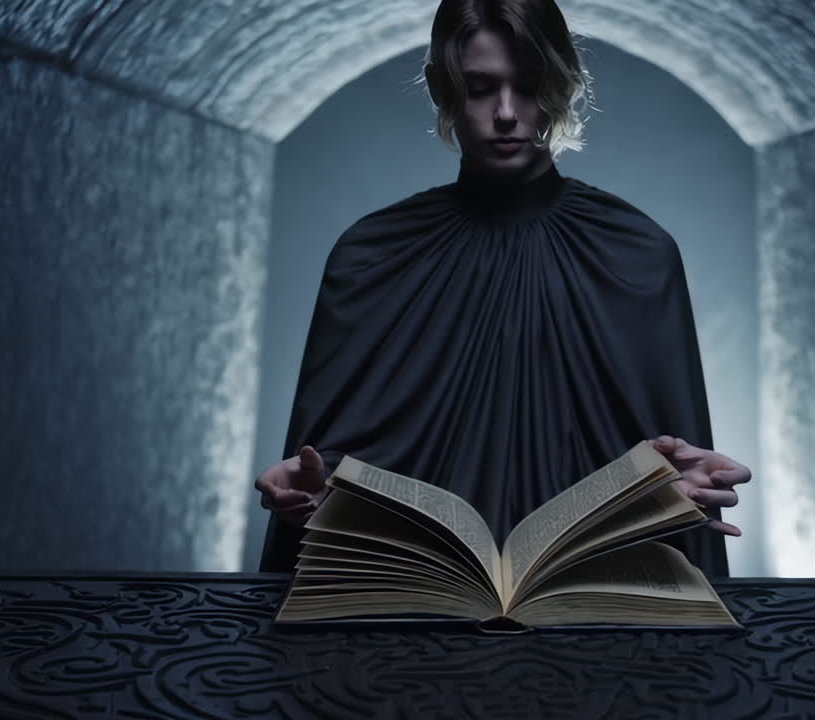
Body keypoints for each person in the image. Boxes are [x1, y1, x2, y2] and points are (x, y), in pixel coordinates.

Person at [255, 0, 751, 581]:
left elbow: (665, 476)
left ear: (561, 88)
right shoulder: (371, 257)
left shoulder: (638, 255)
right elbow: (333, 473)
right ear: (446, 95)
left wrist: (674, 491)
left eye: (530, 84)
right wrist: (308, 489)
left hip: (593, 631)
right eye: (481, 88)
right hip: (402, 630)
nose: (508, 113)